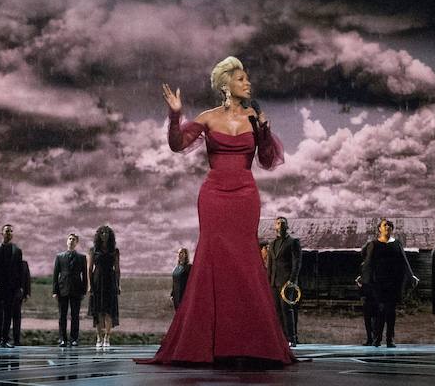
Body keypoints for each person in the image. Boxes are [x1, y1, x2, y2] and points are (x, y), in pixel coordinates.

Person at [142, 56, 294, 365]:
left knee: (245, 260)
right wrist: (175, 115)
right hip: (214, 196)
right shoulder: (208, 118)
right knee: (212, 260)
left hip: (245, 195)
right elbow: (177, 144)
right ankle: (204, 344)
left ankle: (252, 344)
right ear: (225, 84)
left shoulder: (255, 116)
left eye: (247, 79)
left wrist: (264, 131)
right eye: (241, 79)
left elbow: (266, 159)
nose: (247, 83)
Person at [360, 218, 419, 348]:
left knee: (391, 311)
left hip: (393, 282)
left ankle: (390, 339)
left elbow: (404, 262)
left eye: (390, 225)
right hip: (378, 283)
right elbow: (368, 263)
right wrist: (364, 279)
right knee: (380, 309)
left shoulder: (396, 244)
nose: (387, 227)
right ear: (379, 229)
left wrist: (411, 276)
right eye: (385, 225)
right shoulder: (373, 244)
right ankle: (377, 339)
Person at [0, 224, 24, 348]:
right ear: (1, 233)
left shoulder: (17, 251)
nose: (9, 233)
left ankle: (4, 339)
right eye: (7, 231)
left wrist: (19, 288)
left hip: (11, 287)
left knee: (8, 313)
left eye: (11, 231)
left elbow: (20, 271)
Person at [267, 217, 301, 347]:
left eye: (283, 223)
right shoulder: (272, 244)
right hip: (274, 282)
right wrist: (268, 281)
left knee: (286, 309)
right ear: (275, 226)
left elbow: (296, 263)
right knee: (277, 310)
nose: (280, 225)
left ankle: (292, 338)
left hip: (287, 282)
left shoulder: (293, 242)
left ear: (287, 226)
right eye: (278, 223)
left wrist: (291, 281)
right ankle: (281, 338)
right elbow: (270, 264)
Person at [53, 233, 88, 347]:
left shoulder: (82, 258)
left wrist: (84, 291)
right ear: (67, 241)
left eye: (74, 239)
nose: (71, 241)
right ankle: (62, 338)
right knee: (62, 315)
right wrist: (55, 291)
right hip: (63, 289)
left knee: (75, 315)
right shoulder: (60, 256)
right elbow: (55, 274)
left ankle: (74, 339)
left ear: (76, 242)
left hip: (76, 289)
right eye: (70, 239)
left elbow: (84, 275)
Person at [88, 225, 120, 350]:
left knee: (109, 311)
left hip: (110, 280)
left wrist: (118, 284)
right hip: (97, 280)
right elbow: (90, 269)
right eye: (102, 232)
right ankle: (99, 337)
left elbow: (117, 269)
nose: (104, 234)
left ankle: (107, 337)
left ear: (110, 235)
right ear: (98, 235)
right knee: (98, 311)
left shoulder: (114, 250)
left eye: (107, 232)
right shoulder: (93, 250)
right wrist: (90, 285)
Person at [356, 241, 375, 346]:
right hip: (368, 293)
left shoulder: (376, 265)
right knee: (368, 317)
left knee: (374, 317)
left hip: (374, 293)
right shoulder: (363, 265)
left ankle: (373, 338)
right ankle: (370, 338)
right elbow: (362, 280)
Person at [12, 259, 31, 346]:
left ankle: (16, 339)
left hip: (18, 294)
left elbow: (27, 278)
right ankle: (4, 338)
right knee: (5, 317)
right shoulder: (6, 261)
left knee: (17, 317)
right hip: (7, 294)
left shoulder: (23, 264)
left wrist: (27, 293)